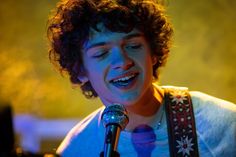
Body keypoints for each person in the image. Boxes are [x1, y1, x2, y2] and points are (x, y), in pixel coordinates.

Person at [47, 0, 236, 156]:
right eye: (101, 53)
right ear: (80, 70)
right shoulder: (77, 149)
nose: (122, 61)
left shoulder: (226, 126)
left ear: (153, 53)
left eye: (133, 45)